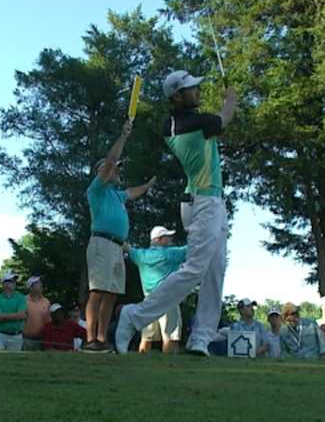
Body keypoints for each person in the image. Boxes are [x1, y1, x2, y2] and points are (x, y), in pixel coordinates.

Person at [115, 70, 239, 356]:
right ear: (176, 96)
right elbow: (225, 118)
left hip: (213, 201)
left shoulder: (182, 121)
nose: (197, 90)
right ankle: (134, 316)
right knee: (196, 269)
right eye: (191, 88)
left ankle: (201, 338)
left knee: (214, 271)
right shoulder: (191, 123)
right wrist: (230, 99)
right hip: (202, 201)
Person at [85, 119, 155, 352]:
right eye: (114, 168)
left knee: (112, 293)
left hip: (116, 247)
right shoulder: (97, 189)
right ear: (102, 172)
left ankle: (103, 339)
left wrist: (149, 184)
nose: (118, 170)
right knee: (97, 291)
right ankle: (91, 339)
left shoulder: (117, 195)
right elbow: (112, 160)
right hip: (102, 243)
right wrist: (124, 135)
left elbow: (134, 192)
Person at [128, 226, 187, 354]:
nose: (171, 239)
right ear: (159, 239)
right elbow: (194, 249)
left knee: (146, 337)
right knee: (170, 337)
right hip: (168, 300)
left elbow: (127, 248)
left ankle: (142, 365)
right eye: (167, 237)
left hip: (148, 301)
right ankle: (169, 369)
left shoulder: (140, 255)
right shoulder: (172, 253)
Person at [0, 272, 27, 351]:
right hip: (0, 335)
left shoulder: (21, 297)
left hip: (16, 336)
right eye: (11, 281)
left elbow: (22, 315)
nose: (14, 283)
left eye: (14, 281)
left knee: (14, 361)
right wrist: (15, 316)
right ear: (4, 283)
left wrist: (4, 316)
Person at [23, 275, 51, 351]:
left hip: (41, 339)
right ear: (31, 287)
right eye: (37, 283)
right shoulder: (23, 301)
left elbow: (48, 321)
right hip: (25, 339)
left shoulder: (46, 302)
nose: (41, 285)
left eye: (40, 283)